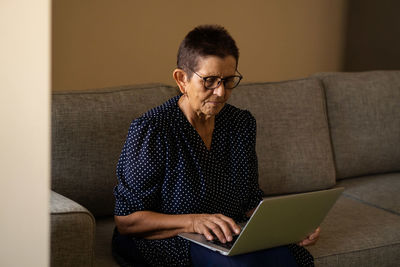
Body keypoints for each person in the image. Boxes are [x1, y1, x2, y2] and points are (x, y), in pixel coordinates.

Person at [112, 25, 320, 267]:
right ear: (182, 79)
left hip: (226, 234)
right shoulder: (153, 130)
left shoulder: (240, 124)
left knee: (286, 259)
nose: (220, 92)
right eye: (209, 81)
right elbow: (126, 221)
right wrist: (193, 222)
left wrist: (291, 227)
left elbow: (250, 201)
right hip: (169, 238)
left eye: (229, 80)